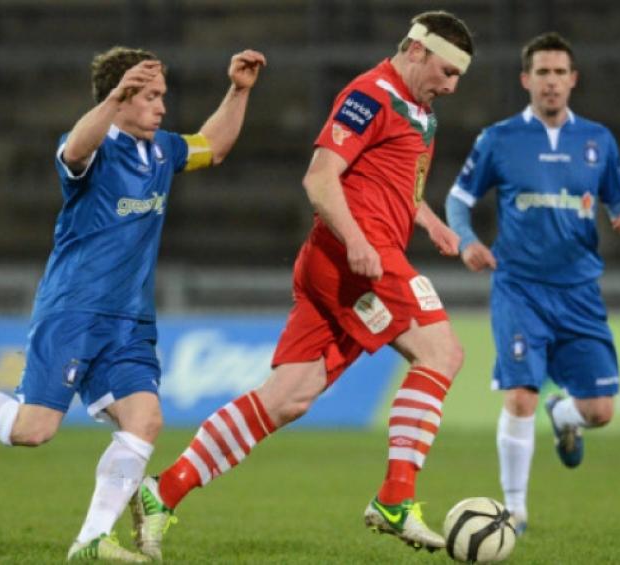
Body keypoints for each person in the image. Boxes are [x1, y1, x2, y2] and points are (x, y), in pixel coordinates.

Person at [0, 46, 266, 561]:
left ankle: (91, 540)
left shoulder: (164, 150)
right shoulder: (92, 146)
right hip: (73, 309)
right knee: (34, 429)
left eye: (161, 96)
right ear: (118, 98)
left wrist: (239, 90)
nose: (161, 107)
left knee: (144, 420)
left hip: (130, 321)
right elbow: (74, 151)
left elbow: (213, 146)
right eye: (149, 96)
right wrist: (114, 99)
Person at [128, 11, 475, 560]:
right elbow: (320, 176)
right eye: (447, 70)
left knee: (288, 398)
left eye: (460, 76)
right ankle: (395, 499)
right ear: (415, 49)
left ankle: (161, 492)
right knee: (442, 352)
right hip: (356, 260)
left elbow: (392, 185)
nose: (453, 85)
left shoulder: (420, 112)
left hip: (349, 259)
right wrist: (358, 241)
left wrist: (426, 220)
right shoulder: (369, 95)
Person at [445, 32, 620, 534]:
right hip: (520, 287)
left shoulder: (597, 140)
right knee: (519, 397)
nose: (551, 83)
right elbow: (458, 198)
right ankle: (514, 509)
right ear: (525, 80)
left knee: (600, 411)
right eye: (542, 73)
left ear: (573, 80)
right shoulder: (499, 139)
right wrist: (466, 240)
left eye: (559, 73)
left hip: (578, 291)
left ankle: (567, 415)